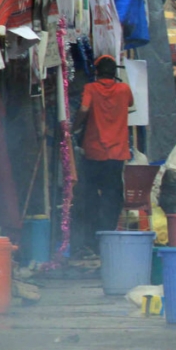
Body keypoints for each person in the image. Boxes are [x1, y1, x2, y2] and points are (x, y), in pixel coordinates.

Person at [72, 55, 133, 254]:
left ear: (97, 72)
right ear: (115, 72)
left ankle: (91, 238)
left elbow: (83, 108)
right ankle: (108, 235)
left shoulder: (90, 88)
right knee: (112, 196)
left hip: (94, 152)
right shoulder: (124, 89)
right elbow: (130, 103)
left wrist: (75, 126)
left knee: (90, 196)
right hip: (116, 154)